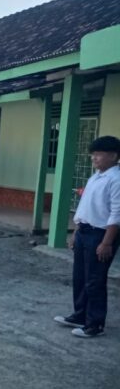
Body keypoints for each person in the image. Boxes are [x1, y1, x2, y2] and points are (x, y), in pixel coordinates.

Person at [54, 136, 120, 338]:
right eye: (93, 154)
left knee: (95, 280)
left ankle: (95, 324)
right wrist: (75, 232)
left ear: (113, 156)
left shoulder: (116, 179)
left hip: (100, 234)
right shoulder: (96, 177)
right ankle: (80, 315)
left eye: (98, 154)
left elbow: (117, 213)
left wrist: (107, 242)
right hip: (84, 231)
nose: (94, 158)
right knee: (80, 277)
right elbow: (84, 207)